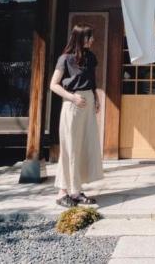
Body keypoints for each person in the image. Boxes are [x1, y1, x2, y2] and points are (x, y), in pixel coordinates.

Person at [50, 24, 104, 207]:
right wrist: (72, 97)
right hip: (73, 104)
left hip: (88, 102)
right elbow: (54, 84)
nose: (92, 40)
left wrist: (96, 97)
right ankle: (62, 192)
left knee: (84, 146)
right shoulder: (65, 59)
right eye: (89, 37)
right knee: (70, 147)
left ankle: (76, 190)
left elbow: (92, 80)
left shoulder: (91, 57)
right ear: (80, 39)